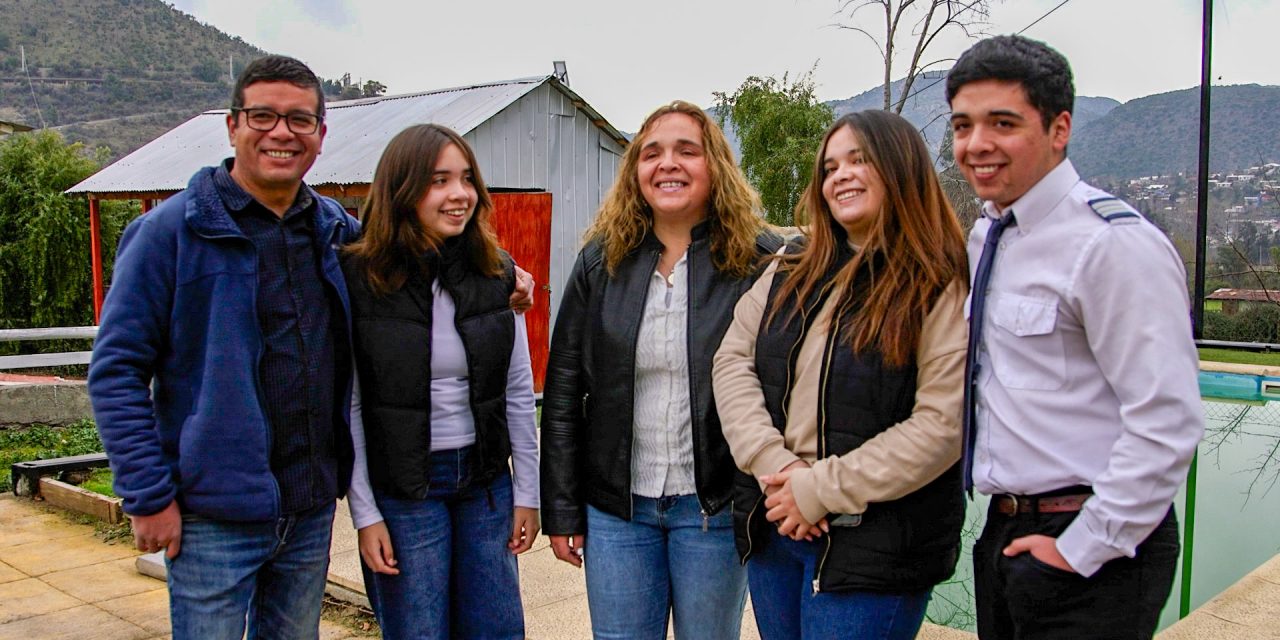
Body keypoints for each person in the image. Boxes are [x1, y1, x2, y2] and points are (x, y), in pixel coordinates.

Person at [88, 56, 532, 639]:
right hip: (213, 511)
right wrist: (146, 495)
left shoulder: (333, 233)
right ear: (232, 125)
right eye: (264, 116)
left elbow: (417, 254)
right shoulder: (169, 235)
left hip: (307, 506)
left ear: (321, 134)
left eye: (299, 119)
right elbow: (116, 372)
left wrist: (508, 273)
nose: (281, 132)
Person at [946, 35, 1204, 639]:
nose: (977, 144)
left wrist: (1086, 547)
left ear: (1059, 129)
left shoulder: (1111, 244)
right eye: (963, 125)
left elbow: (1167, 418)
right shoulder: (987, 239)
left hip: (1091, 547)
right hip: (1007, 530)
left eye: (1002, 123)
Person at [713, 110, 969, 640]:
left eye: (860, 160)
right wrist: (775, 466)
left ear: (901, 168)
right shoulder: (791, 263)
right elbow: (732, 360)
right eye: (830, 167)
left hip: (874, 549)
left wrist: (819, 490)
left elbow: (942, 425)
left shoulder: (939, 278)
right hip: (776, 524)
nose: (841, 175)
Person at [540, 100, 781, 639]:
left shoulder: (760, 262)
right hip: (618, 514)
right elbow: (561, 396)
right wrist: (561, 510)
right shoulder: (601, 263)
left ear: (715, 166)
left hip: (714, 511)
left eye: (686, 151)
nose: (667, 163)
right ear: (635, 172)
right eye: (652, 153)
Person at [342, 124, 539, 639]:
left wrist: (527, 494)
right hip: (405, 493)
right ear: (402, 189)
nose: (460, 195)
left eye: (467, 178)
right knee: (418, 631)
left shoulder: (497, 273)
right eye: (439, 180)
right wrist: (365, 513)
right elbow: (353, 405)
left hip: (486, 486)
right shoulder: (361, 279)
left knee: (497, 630)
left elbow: (518, 390)